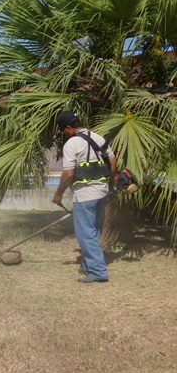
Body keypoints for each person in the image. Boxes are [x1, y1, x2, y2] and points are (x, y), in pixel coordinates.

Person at [52, 111, 117, 283]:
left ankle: (98, 272)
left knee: (85, 234)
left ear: (68, 127)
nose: (64, 134)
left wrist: (58, 194)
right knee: (93, 230)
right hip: (102, 192)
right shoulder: (98, 137)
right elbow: (112, 161)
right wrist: (108, 182)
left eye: (63, 130)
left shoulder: (72, 144)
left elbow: (68, 174)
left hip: (85, 195)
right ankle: (89, 265)